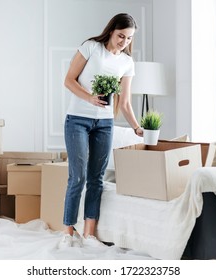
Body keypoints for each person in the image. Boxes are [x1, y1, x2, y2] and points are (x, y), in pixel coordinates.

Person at [59, 13, 143, 248]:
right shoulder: (91, 48)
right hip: (77, 119)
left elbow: (124, 102)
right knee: (78, 176)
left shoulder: (127, 63)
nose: (124, 42)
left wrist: (137, 127)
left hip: (105, 124)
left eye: (128, 38)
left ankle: (89, 233)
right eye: (120, 36)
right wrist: (89, 98)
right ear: (112, 31)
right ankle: (67, 231)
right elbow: (68, 80)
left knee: (97, 179)